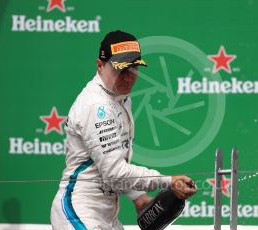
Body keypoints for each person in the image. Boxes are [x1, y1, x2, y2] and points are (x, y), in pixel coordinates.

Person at [50, 30, 197, 230]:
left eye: (134, 69)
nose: (128, 77)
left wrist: (138, 197)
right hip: (79, 212)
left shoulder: (120, 97)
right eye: (120, 70)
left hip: (107, 216)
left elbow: (113, 165)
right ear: (100, 66)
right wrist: (167, 181)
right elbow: (114, 173)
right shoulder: (96, 105)